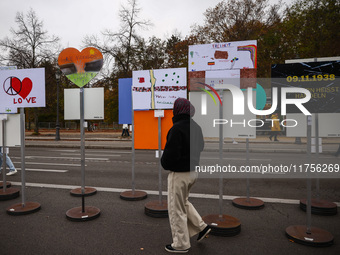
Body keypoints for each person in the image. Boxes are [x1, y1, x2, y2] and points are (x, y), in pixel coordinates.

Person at [161, 98, 211, 253]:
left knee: (176, 209)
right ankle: (201, 227)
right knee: (184, 202)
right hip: (193, 173)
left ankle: (181, 244)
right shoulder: (196, 127)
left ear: (177, 111)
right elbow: (201, 146)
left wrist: (165, 162)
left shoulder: (176, 128)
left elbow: (169, 157)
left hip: (179, 175)